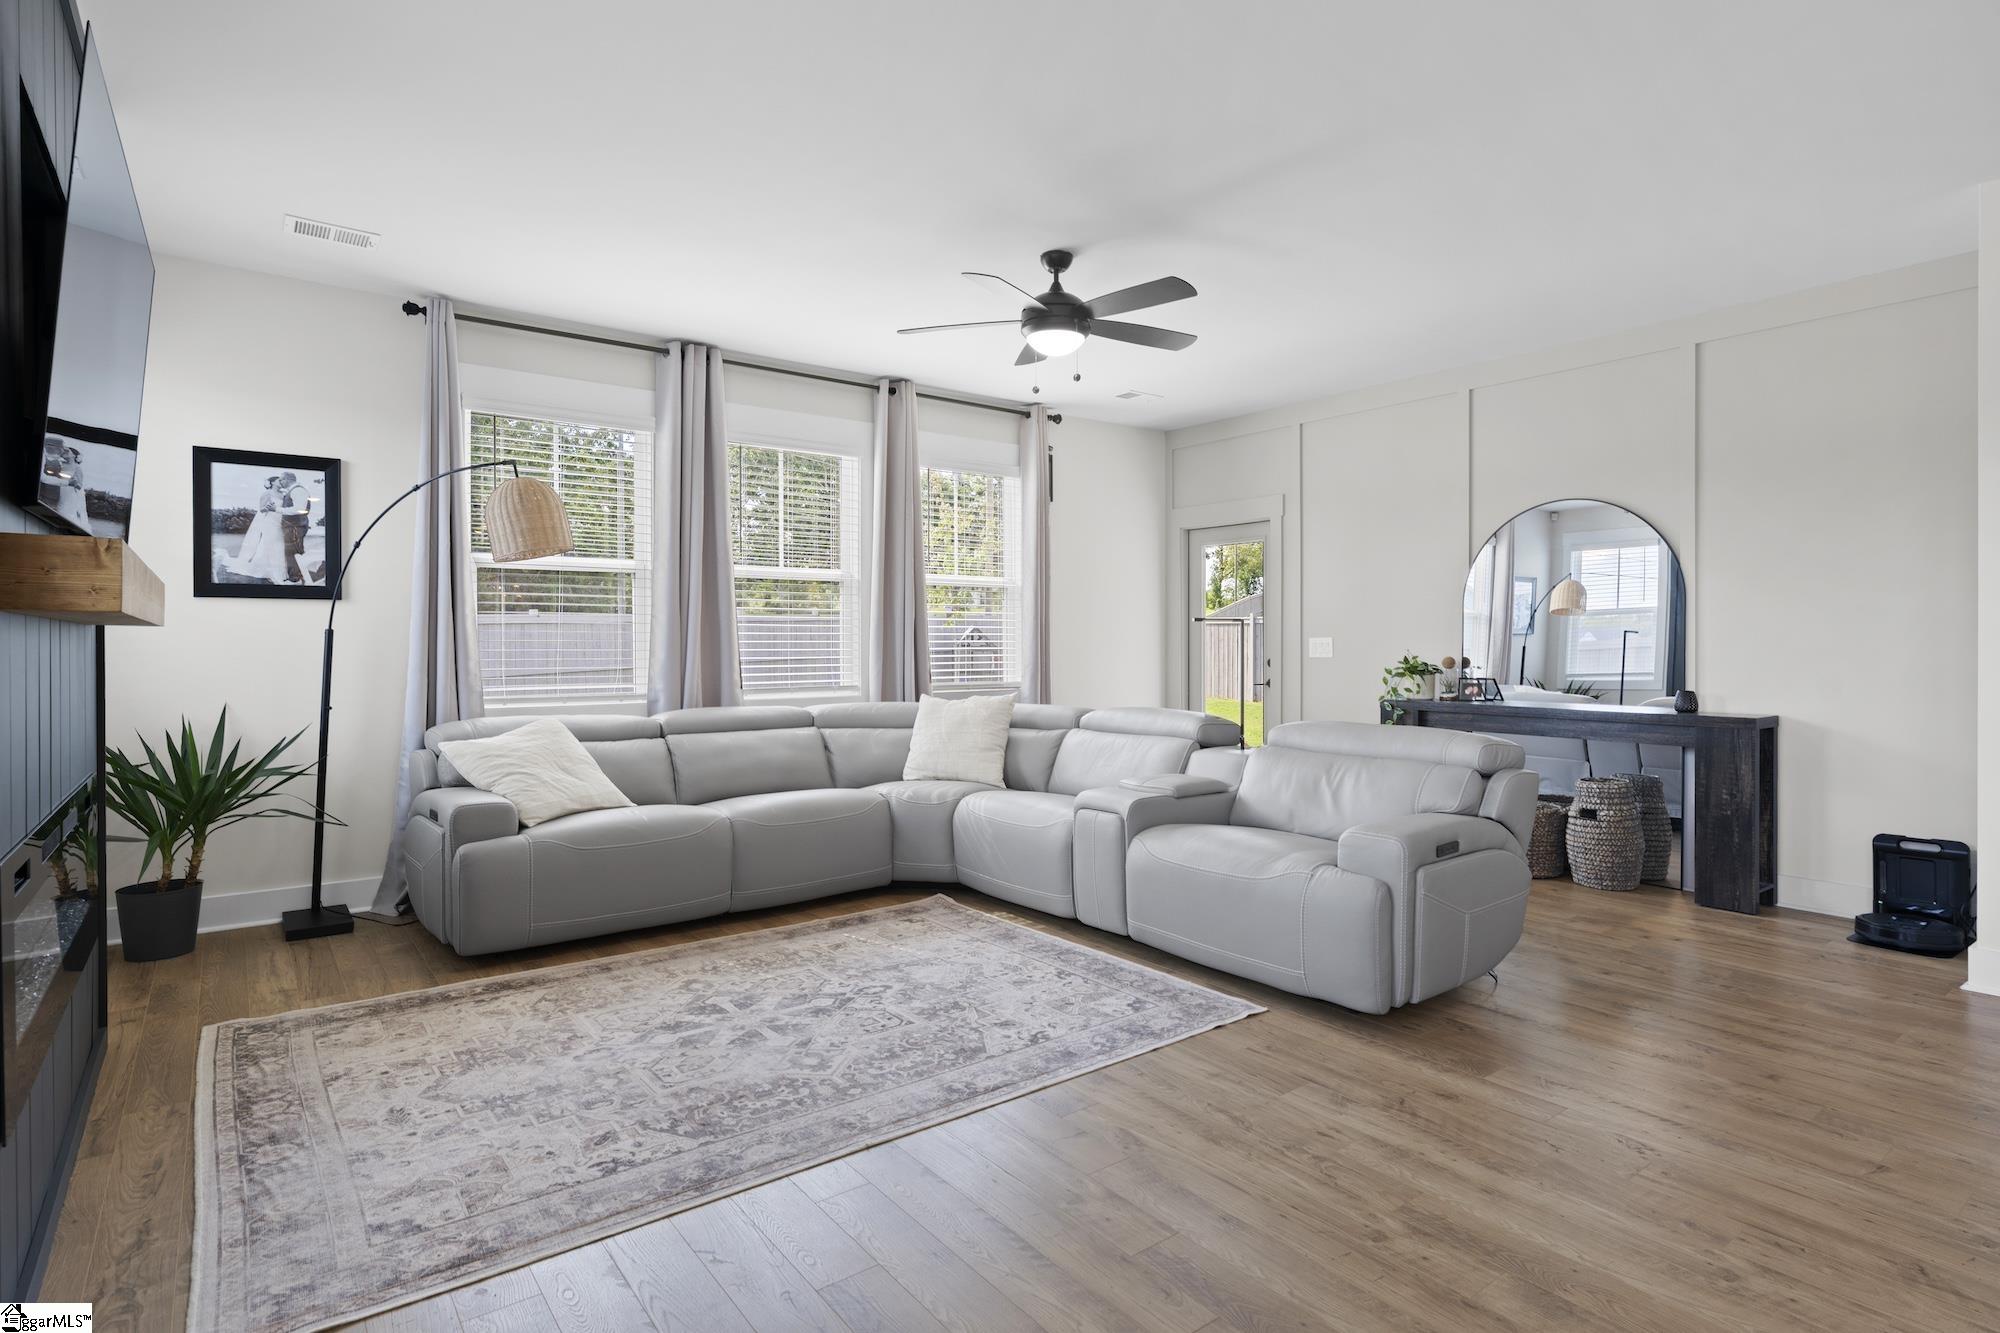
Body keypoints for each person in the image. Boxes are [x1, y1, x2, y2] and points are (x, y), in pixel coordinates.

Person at [225, 476, 292, 583]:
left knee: (279, 545)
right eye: (279, 480)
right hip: (270, 522)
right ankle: (273, 571)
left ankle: (278, 571)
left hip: (279, 522)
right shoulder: (267, 493)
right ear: (272, 483)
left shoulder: (283, 494)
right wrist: (268, 507)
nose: (281, 482)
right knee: (270, 544)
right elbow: (261, 509)